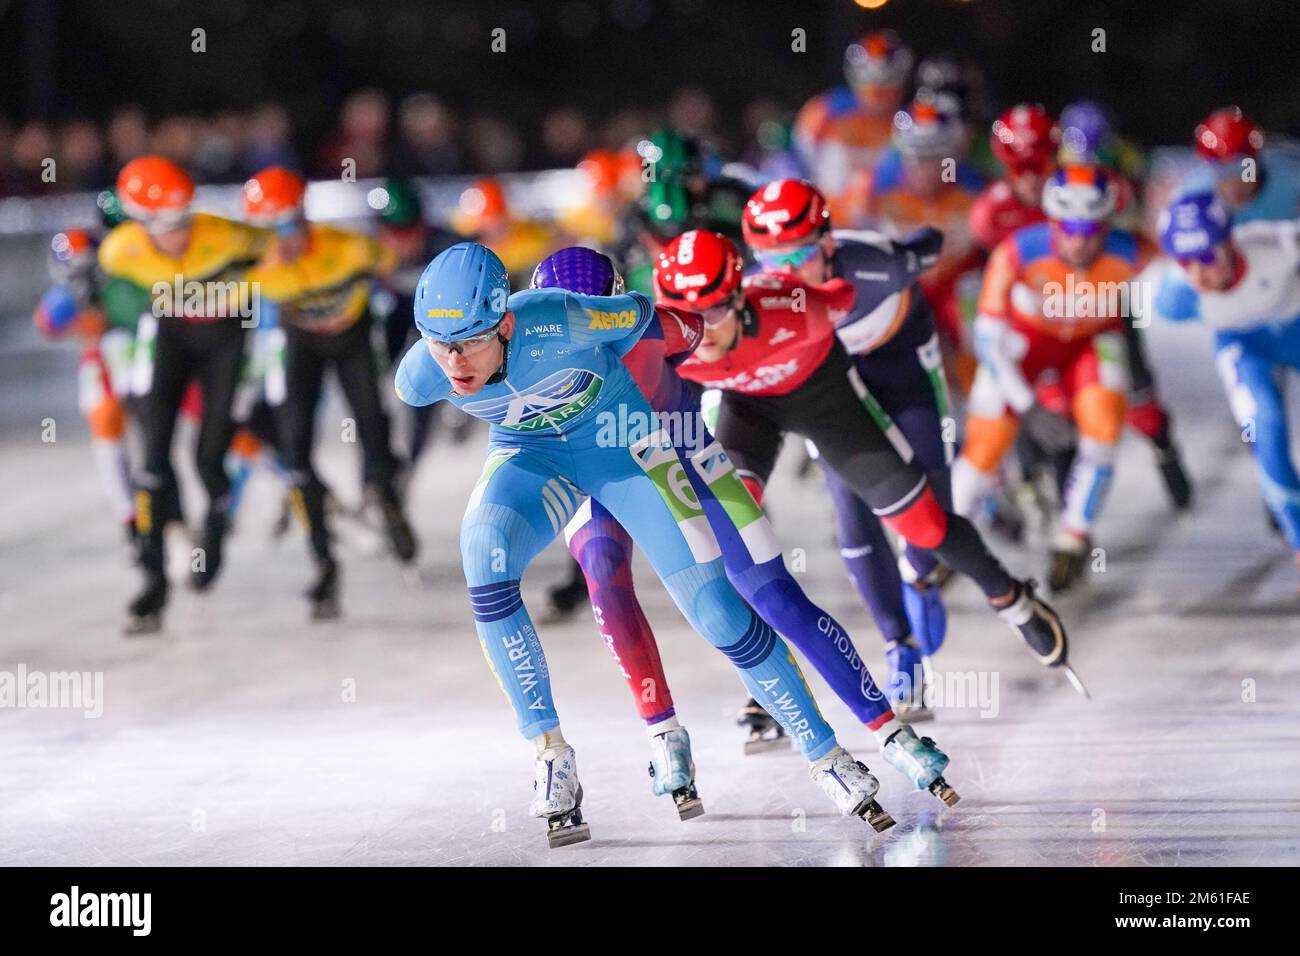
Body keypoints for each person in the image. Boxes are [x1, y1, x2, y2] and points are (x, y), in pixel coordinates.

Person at [394, 242, 948, 846]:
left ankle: (826, 750)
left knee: (717, 610)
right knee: (489, 557)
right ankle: (551, 752)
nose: (453, 361)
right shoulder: (421, 375)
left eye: (469, 341)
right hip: (533, 459)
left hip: (630, 451)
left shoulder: (564, 315)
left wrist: (687, 347)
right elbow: (435, 368)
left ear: (505, 321)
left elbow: (663, 321)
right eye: (437, 342)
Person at [661, 230, 1085, 697]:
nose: (698, 332)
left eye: (713, 313)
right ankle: (770, 667)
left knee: (923, 527)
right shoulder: (665, 343)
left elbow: (853, 287)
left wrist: (902, 258)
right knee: (729, 526)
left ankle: (1014, 601)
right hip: (747, 411)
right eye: (683, 316)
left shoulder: (797, 306)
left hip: (825, 402)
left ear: (741, 297)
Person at [741, 177, 951, 716]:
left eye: (802, 254)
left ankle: (921, 575)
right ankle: (900, 647)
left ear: (830, 245)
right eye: (770, 259)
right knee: (852, 510)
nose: (786, 274)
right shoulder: (753, 295)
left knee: (930, 501)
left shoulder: (878, 263)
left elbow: (930, 244)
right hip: (830, 384)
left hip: (900, 363)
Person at [953, 165, 1144, 592]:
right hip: (1023, 344)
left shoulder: (1132, 251)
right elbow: (987, 338)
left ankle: (1073, 537)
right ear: (1051, 223)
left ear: (1108, 225)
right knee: (985, 445)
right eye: (1069, 228)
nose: (1079, 241)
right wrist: (1029, 407)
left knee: (1105, 426)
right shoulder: (1017, 251)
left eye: (1091, 229)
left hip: (1090, 343)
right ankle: (947, 539)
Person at [99, 156, 268, 633]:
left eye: (184, 220)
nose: (179, 234)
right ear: (138, 222)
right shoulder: (119, 251)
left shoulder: (229, 235)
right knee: (150, 461)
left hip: (226, 341)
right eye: (164, 225)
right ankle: (153, 582)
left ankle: (213, 528)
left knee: (208, 458)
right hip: (170, 337)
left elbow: (282, 254)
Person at [242, 166, 417, 620]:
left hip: (352, 339)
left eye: (286, 227)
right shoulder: (257, 268)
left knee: (372, 427)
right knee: (295, 447)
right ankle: (323, 563)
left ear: (302, 216)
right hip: (301, 342)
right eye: (267, 232)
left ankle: (387, 497)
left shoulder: (352, 248)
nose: (281, 242)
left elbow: (400, 270)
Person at [1156, 193, 1300, 561]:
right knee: (1263, 425)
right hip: (1244, 347)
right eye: (1185, 262)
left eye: (1206, 257)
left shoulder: (1278, 244)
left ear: (1231, 243)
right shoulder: (1175, 297)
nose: (1198, 275)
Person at [864, 96, 986, 391]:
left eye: (936, 157)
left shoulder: (976, 189)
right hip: (904, 283)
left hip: (959, 283)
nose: (926, 169)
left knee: (978, 338)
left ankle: (978, 410)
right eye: (915, 157)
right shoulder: (875, 187)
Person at [794, 30, 913, 225]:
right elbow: (801, 157)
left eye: (887, 87)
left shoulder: (907, 123)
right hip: (825, 217)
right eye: (872, 87)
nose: (878, 98)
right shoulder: (825, 111)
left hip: (880, 223)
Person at [1176, 107, 1300, 224]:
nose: (1233, 182)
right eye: (1221, 170)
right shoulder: (1193, 196)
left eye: (1242, 168)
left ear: (1257, 159)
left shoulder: (1293, 183)